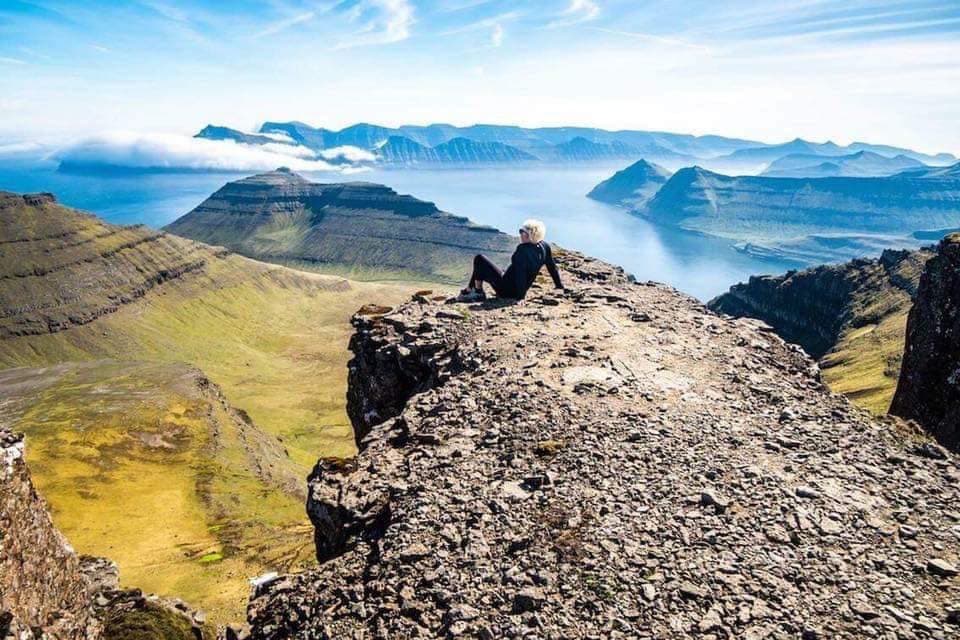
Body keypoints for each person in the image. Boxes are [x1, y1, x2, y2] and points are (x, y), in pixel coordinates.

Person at [460, 218, 563, 301]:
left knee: (479, 259)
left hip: (506, 291)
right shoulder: (544, 246)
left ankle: (478, 292)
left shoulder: (522, 250)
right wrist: (559, 286)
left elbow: (521, 274)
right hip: (515, 288)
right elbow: (552, 267)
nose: (520, 234)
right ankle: (471, 289)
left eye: (522, 231)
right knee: (488, 266)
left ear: (529, 235)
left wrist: (520, 298)